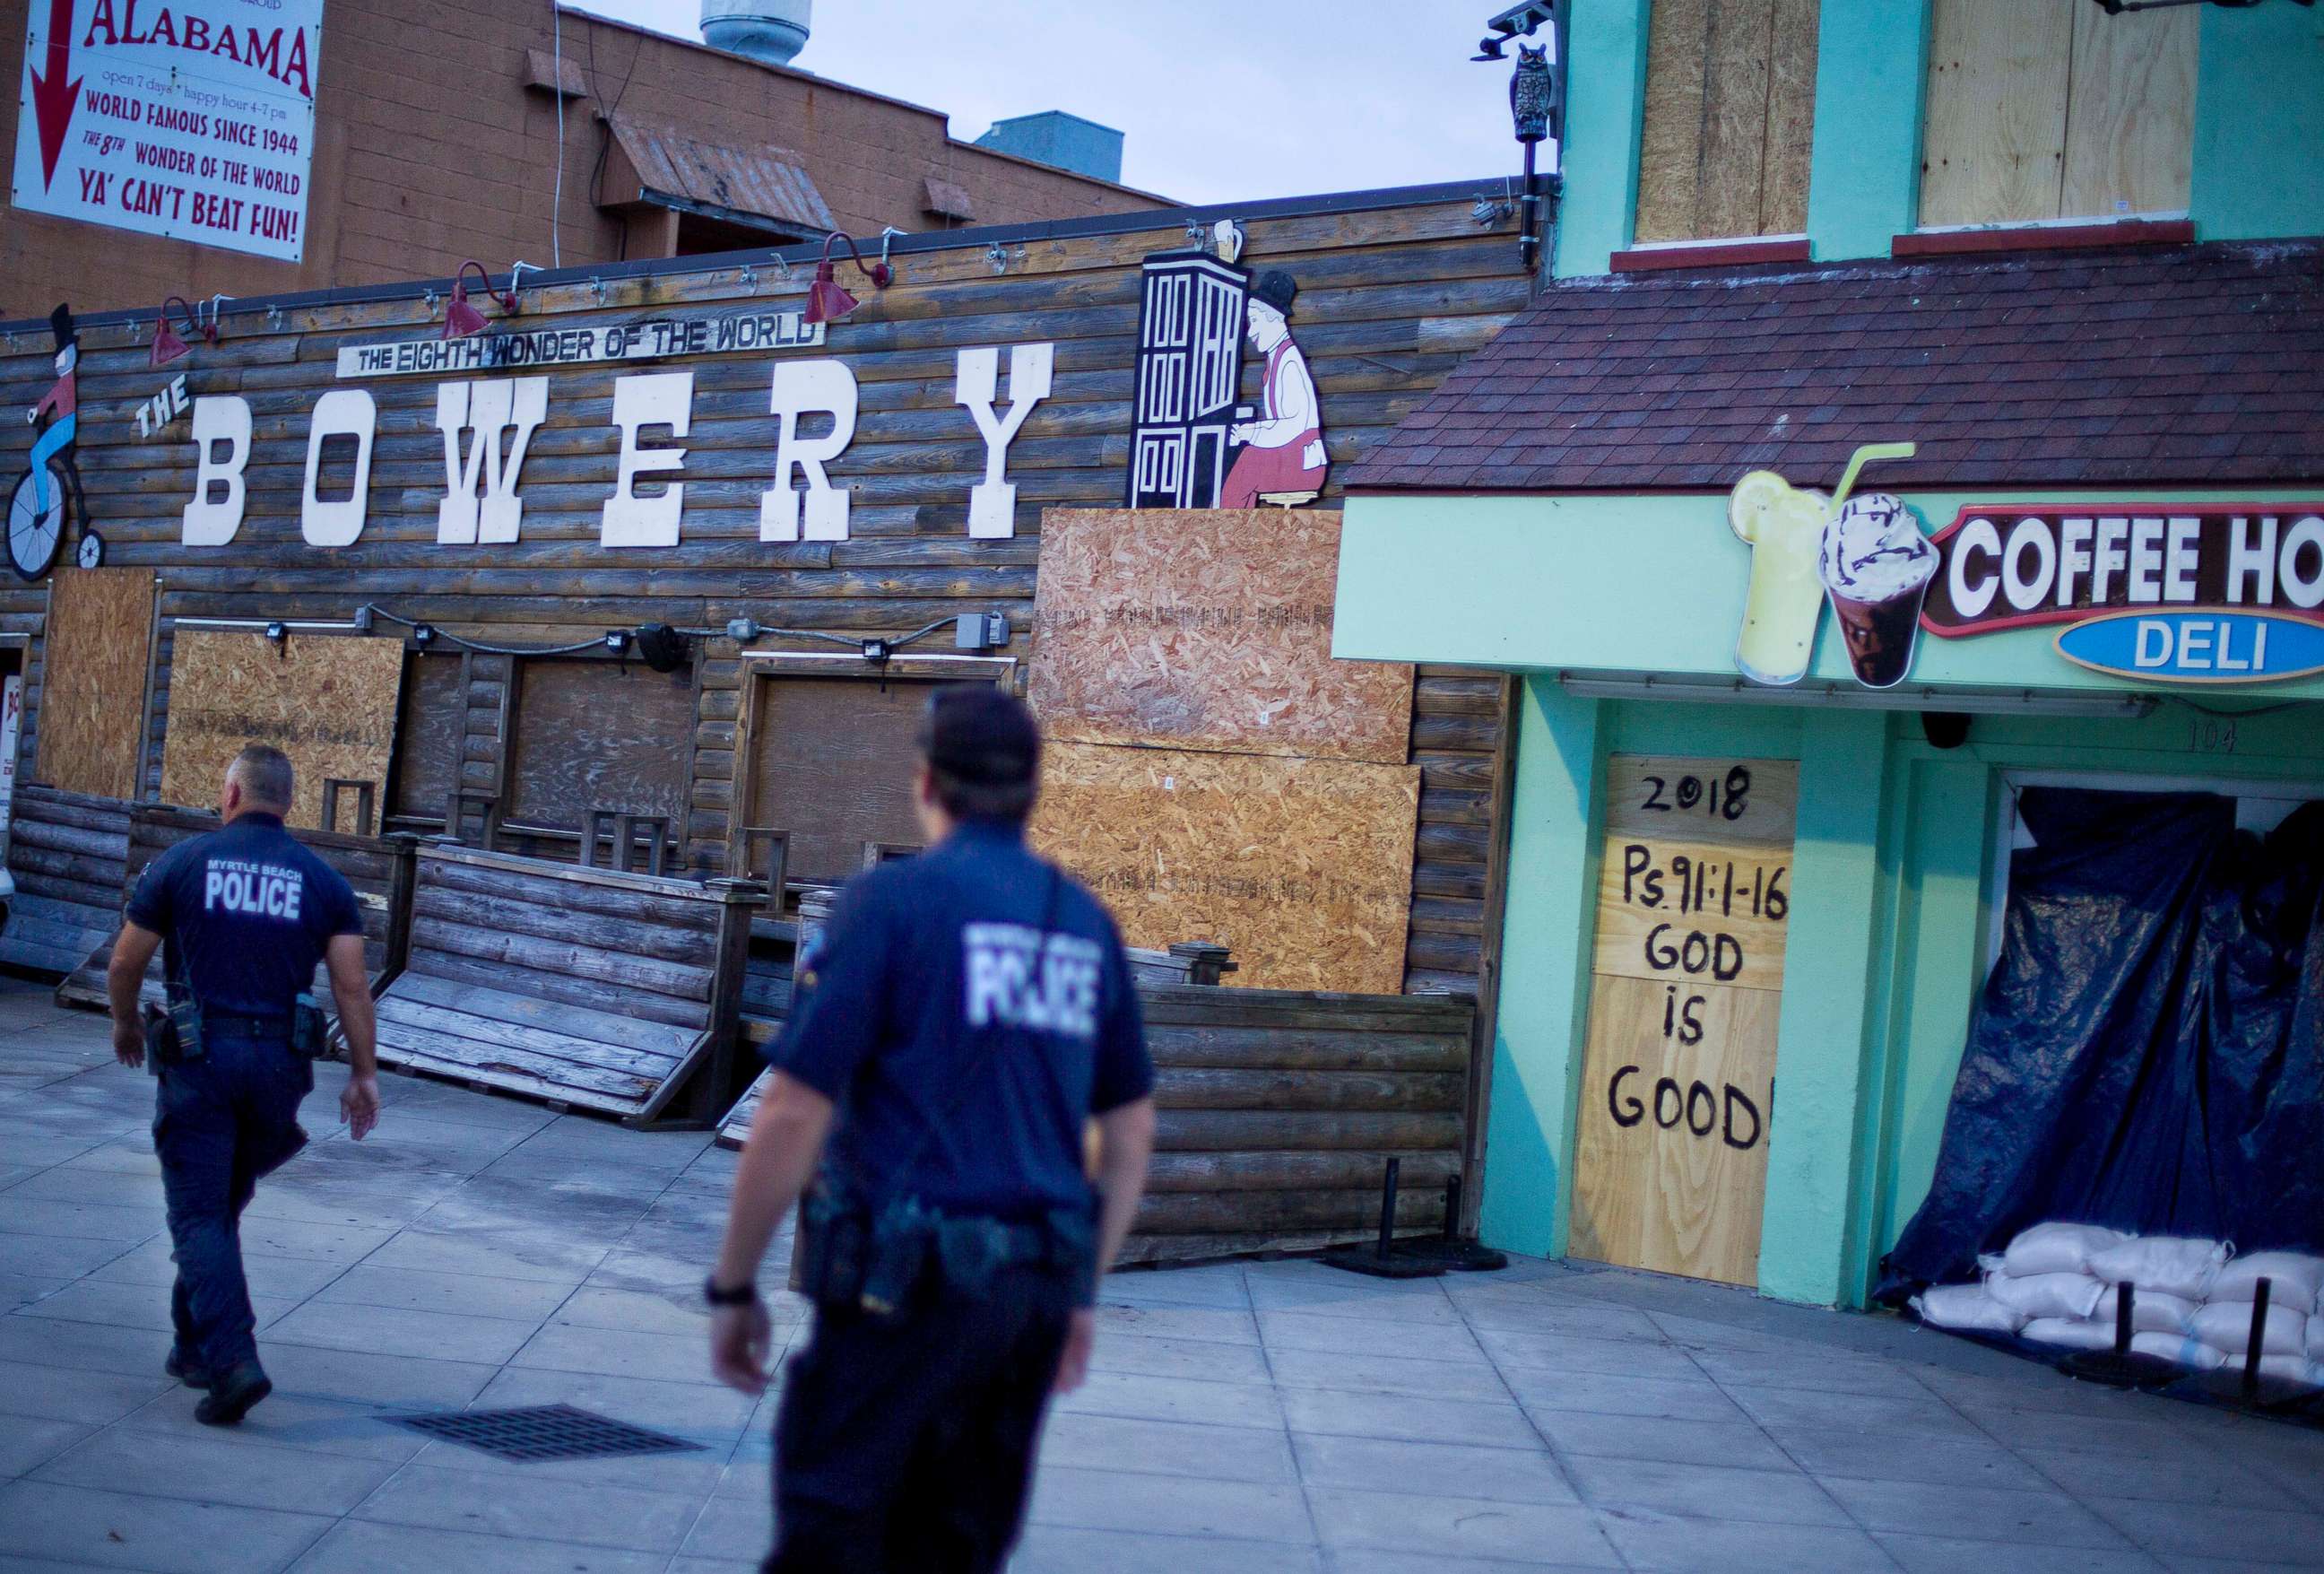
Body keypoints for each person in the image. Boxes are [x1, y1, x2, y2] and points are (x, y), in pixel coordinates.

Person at [707, 686, 1157, 1574]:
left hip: (902, 1294)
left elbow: (796, 1108)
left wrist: (733, 1286)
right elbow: (1131, 1132)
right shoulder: (1084, 924)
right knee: (957, 1550)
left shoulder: (892, 905)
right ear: (1034, 790)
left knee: (832, 1540)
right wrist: (1078, 1293)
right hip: (1027, 1298)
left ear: (925, 783)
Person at [107, 744, 381, 1427]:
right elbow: (350, 985)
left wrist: (124, 1027)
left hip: (200, 1063)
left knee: (198, 1212)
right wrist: (364, 1074)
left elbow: (125, 960)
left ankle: (233, 1362)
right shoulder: (322, 881)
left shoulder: (180, 863)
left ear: (229, 795)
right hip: (278, 1072)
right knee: (218, 1204)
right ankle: (193, 1344)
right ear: (285, 801)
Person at [1221, 269, 1328, 507]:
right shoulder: (1276, 359)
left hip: (1302, 462)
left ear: (1274, 318)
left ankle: (1229, 529)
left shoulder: (1289, 362)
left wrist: (1254, 433)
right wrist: (1252, 430)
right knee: (1243, 459)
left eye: (1255, 321)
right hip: (1291, 456)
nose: (1251, 332)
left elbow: (1295, 424)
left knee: (1248, 463)